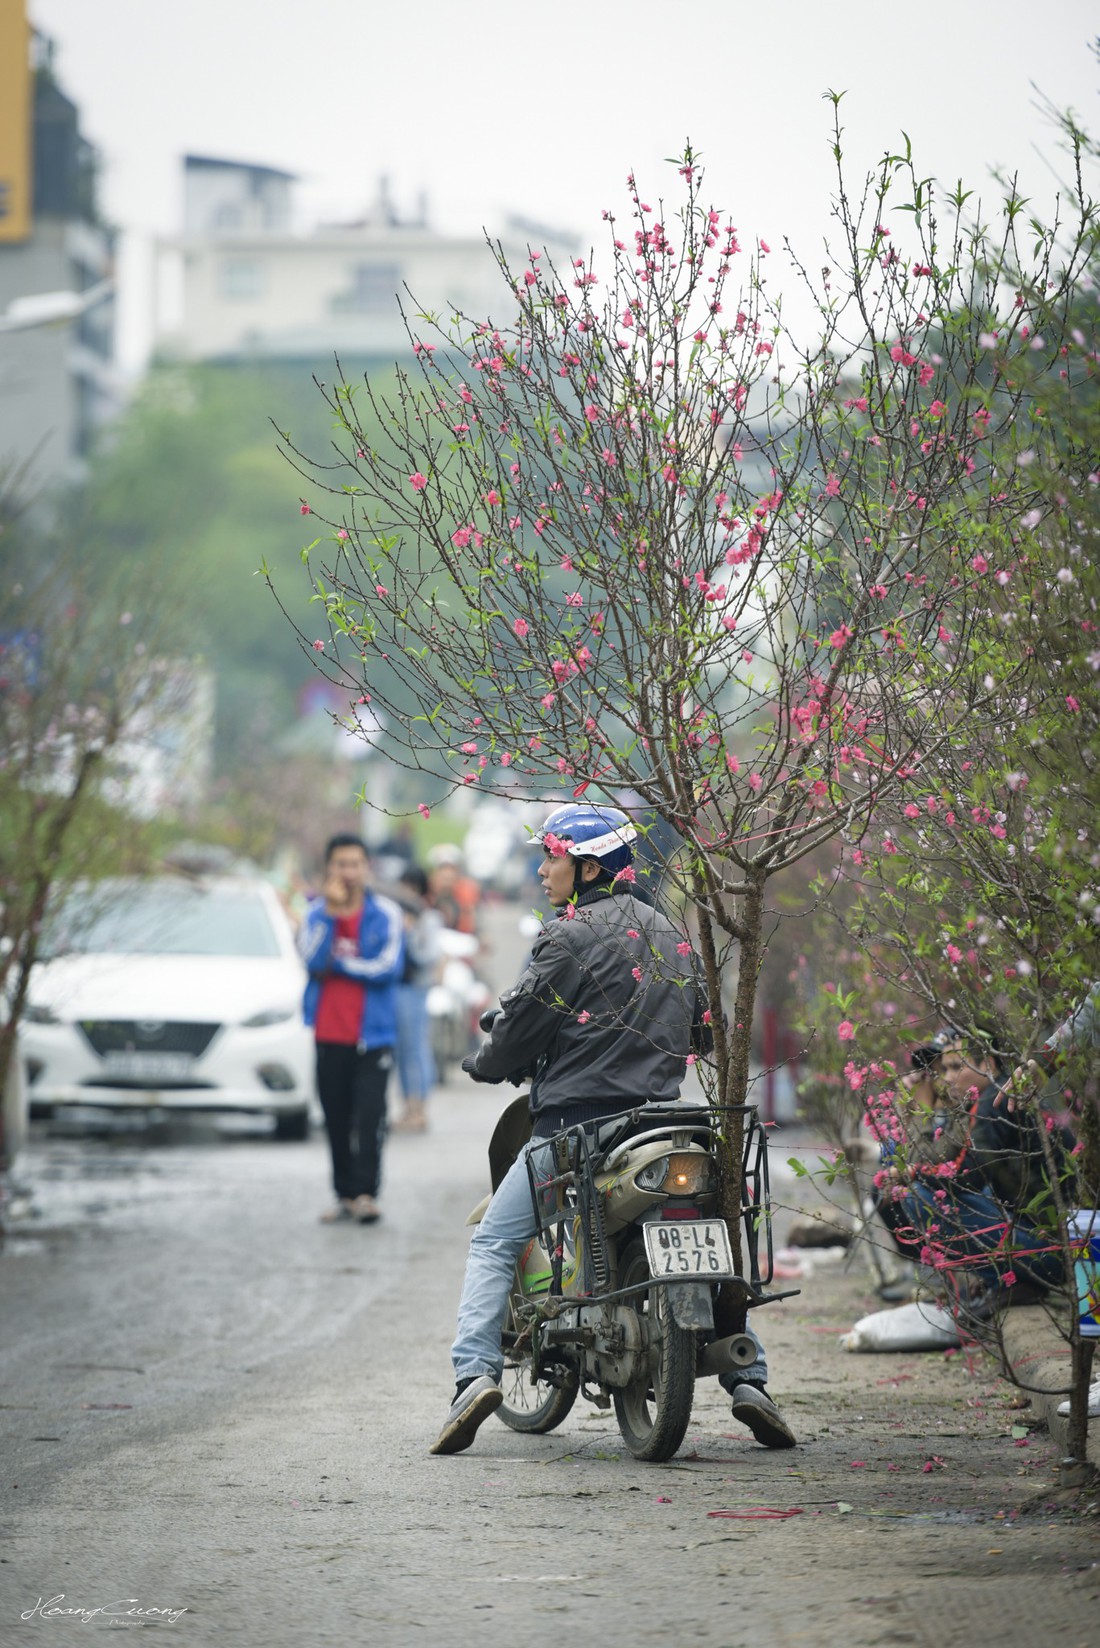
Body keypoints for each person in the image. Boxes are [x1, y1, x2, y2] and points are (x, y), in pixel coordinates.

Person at [430, 802, 794, 1455]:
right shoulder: (671, 932)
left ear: (590, 866)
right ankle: (750, 1379)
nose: (543, 871)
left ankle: (472, 1378)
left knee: (493, 1241)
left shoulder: (565, 937)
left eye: (553, 858)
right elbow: (703, 1033)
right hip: (663, 1126)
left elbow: (516, 1031)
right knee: (704, 1242)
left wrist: (484, 1063)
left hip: (575, 1131)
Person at [887, 1029, 1070, 1317]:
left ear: (987, 1063)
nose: (946, 1078)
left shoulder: (995, 1102)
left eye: (956, 1067)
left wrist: (913, 1171)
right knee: (910, 1178)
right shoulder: (986, 1097)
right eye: (942, 1069)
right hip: (1054, 1243)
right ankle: (1006, 1279)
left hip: (1054, 1251)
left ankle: (1013, 1278)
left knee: (920, 1197)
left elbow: (963, 1175)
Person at [298, 833, 405, 1224]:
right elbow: (309, 960)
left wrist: (339, 967)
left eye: (355, 864)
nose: (348, 872)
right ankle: (343, 1194)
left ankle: (366, 1194)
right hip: (329, 1033)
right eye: (340, 864)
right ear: (329, 868)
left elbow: (387, 968)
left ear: (366, 868)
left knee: (370, 1116)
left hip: (373, 1035)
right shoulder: (315, 914)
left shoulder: (386, 914)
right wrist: (330, 914)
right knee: (336, 1117)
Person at [391, 864, 444, 1133]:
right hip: (397, 989)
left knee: (415, 1049)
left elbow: (427, 956)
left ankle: (420, 1108)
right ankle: (407, 1108)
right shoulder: (397, 914)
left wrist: (409, 933)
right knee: (401, 1051)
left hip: (415, 989)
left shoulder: (427, 918)